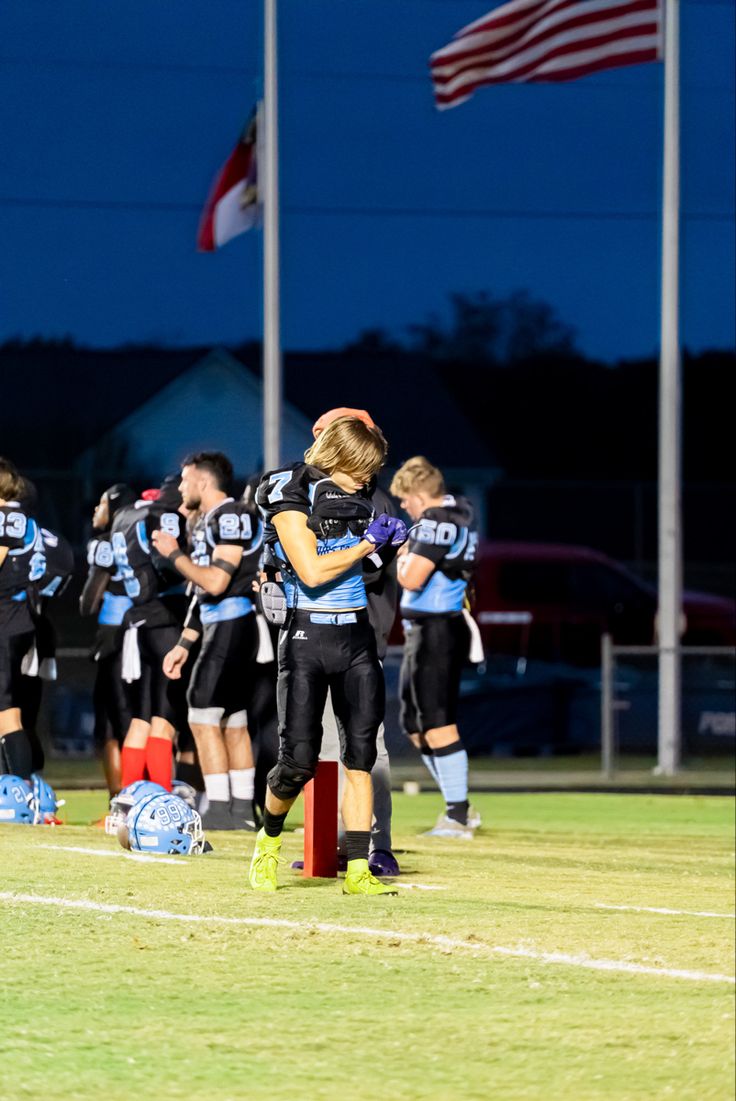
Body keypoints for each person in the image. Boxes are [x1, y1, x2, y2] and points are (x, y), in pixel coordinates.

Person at [249, 415, 407, 895]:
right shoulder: (289, 489)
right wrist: (366, 544)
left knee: (361, 759)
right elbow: (314, 571)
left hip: (356, 639)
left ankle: (358, 870)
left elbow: (363, 570)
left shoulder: (356, 493)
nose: (368, 479)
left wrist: (387, 549)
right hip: (307, 640)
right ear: (340, 458)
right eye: (362, 468)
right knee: (297, 761)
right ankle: (268, 843)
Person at [308, 408, 401, 877]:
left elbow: (365, 570)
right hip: (318, 634)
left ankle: (376, 845)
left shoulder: (373, 502)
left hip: (360, 637)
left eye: (325, 439)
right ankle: (330, 841)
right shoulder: (315, 497)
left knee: (366, 750)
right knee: (321, 747)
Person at [154, 452, 264, 831]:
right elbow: (204, 596)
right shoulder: (212, 520)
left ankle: (218, 807)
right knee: (232, 721)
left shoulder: (231, 515)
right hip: (222, 623)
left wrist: (174, 555)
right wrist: (184, 644)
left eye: (185, 480)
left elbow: (215, 582)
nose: (181, 487)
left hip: (233, 624)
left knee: (201, 713)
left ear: (202, 481)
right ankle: (241, 809)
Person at [390, 456, 480, 839]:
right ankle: (458, 805)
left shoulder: (435, 521)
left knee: (439, 721)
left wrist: (399, 553)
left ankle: (458, 815)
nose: (405, 508)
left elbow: (411, 577)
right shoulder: (453, 518)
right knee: (414, 724)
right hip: (427, 630)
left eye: (405, 500)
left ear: (418, 493)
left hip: (438, 629)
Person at [111, 480, 189, 791]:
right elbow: (166, 564)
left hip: (138, 623)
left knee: (140, 721)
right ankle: (162, 798)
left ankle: (128, 800)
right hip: (166, 621)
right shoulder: (165, 513)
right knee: (163, 722)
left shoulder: (125, 516)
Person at [79, 483, 137, 794]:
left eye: (102, 503)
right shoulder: (144, 536)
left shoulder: (106, 542)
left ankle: (121, 801)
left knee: (114, 726)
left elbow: (88, 603)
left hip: (114, 637)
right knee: (144, 720)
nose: (96, 510)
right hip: (145, 631)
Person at [0, 458, 48, 779]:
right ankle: (17, 787)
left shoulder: (8, 515)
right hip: (19, 617)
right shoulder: (20, 516)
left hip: (5, 619)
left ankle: (17, 790)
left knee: (6, 715)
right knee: (10, 712)